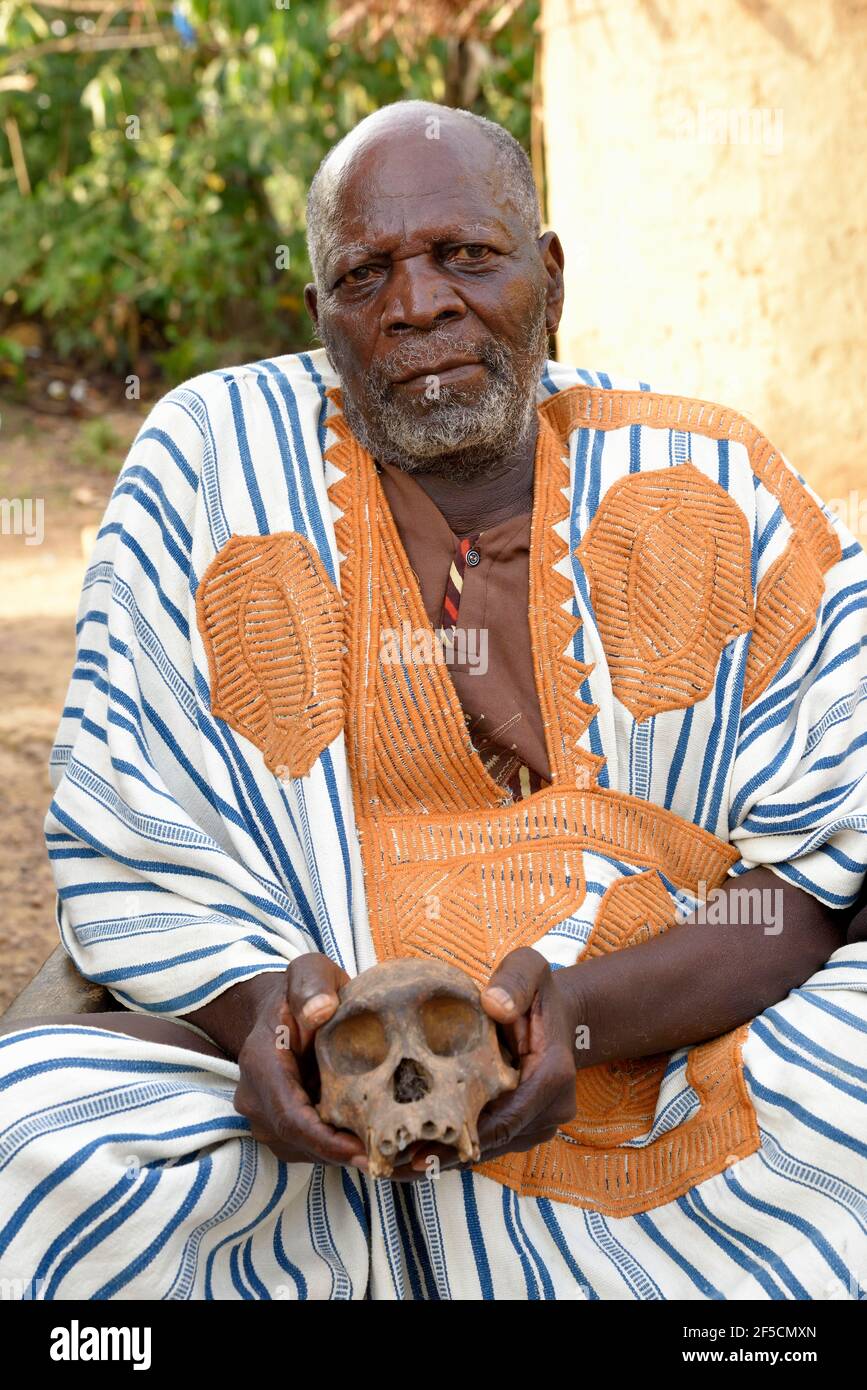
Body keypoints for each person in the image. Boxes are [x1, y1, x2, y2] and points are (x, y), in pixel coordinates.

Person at [1, 100, 865, 1301]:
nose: (417, 306)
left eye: (466, 255)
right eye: (367, 274)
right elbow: (142, 845)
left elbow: (815, 881)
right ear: (321, 320)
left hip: (669, 1062)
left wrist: (564, 1025)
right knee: (38, 1137)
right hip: (309, 1116)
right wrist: (283, 1033)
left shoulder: (709, 479)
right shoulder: (209, 465)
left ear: (549, 278)